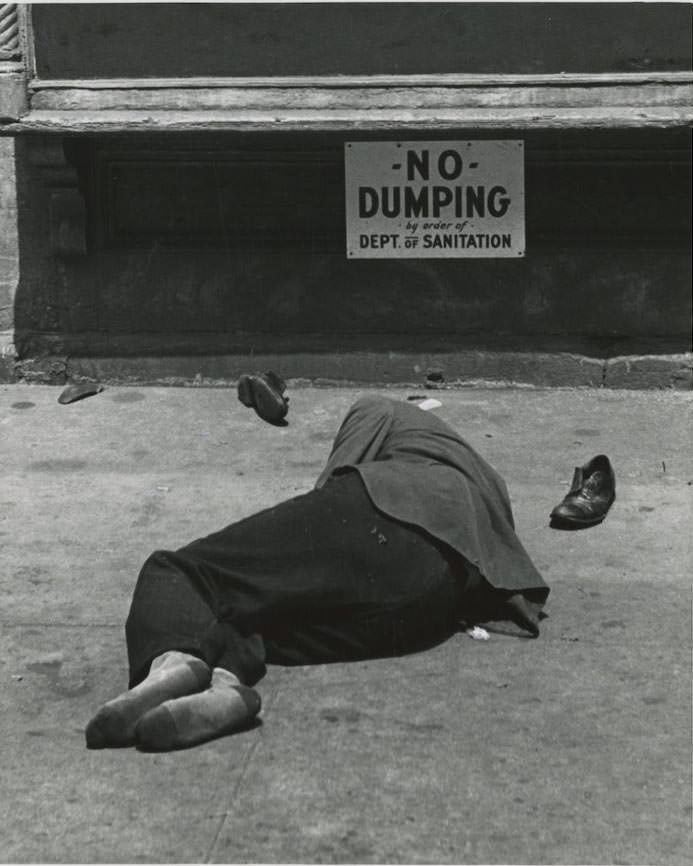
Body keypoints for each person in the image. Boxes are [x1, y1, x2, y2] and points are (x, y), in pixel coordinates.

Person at [85, 395, 549, 752]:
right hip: (431, 603)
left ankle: (166, 667)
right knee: (253, 616)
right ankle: (224, 685)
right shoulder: (486, 484)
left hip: (386, 513)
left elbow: (332, 482)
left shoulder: (380, 410)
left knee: (180, 571)